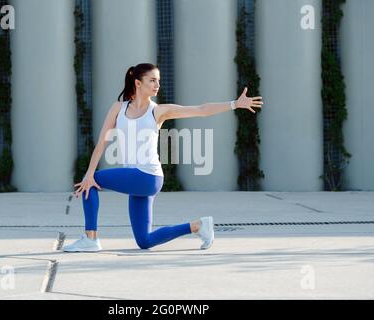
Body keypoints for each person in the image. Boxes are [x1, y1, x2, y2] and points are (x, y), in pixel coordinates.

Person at [63, 63, 263, 252]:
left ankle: (90, 238)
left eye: (158, 80)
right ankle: (199, 226)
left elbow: (201, 110)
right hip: (138, 181)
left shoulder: (158, 111)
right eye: (152, 80)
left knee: (93, 180)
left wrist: (234, 104)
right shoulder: (119, 108)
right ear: (138, 83)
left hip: (148, 176)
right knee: (144, 241)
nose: (157, 85)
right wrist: (89, 172)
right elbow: (102, 141)